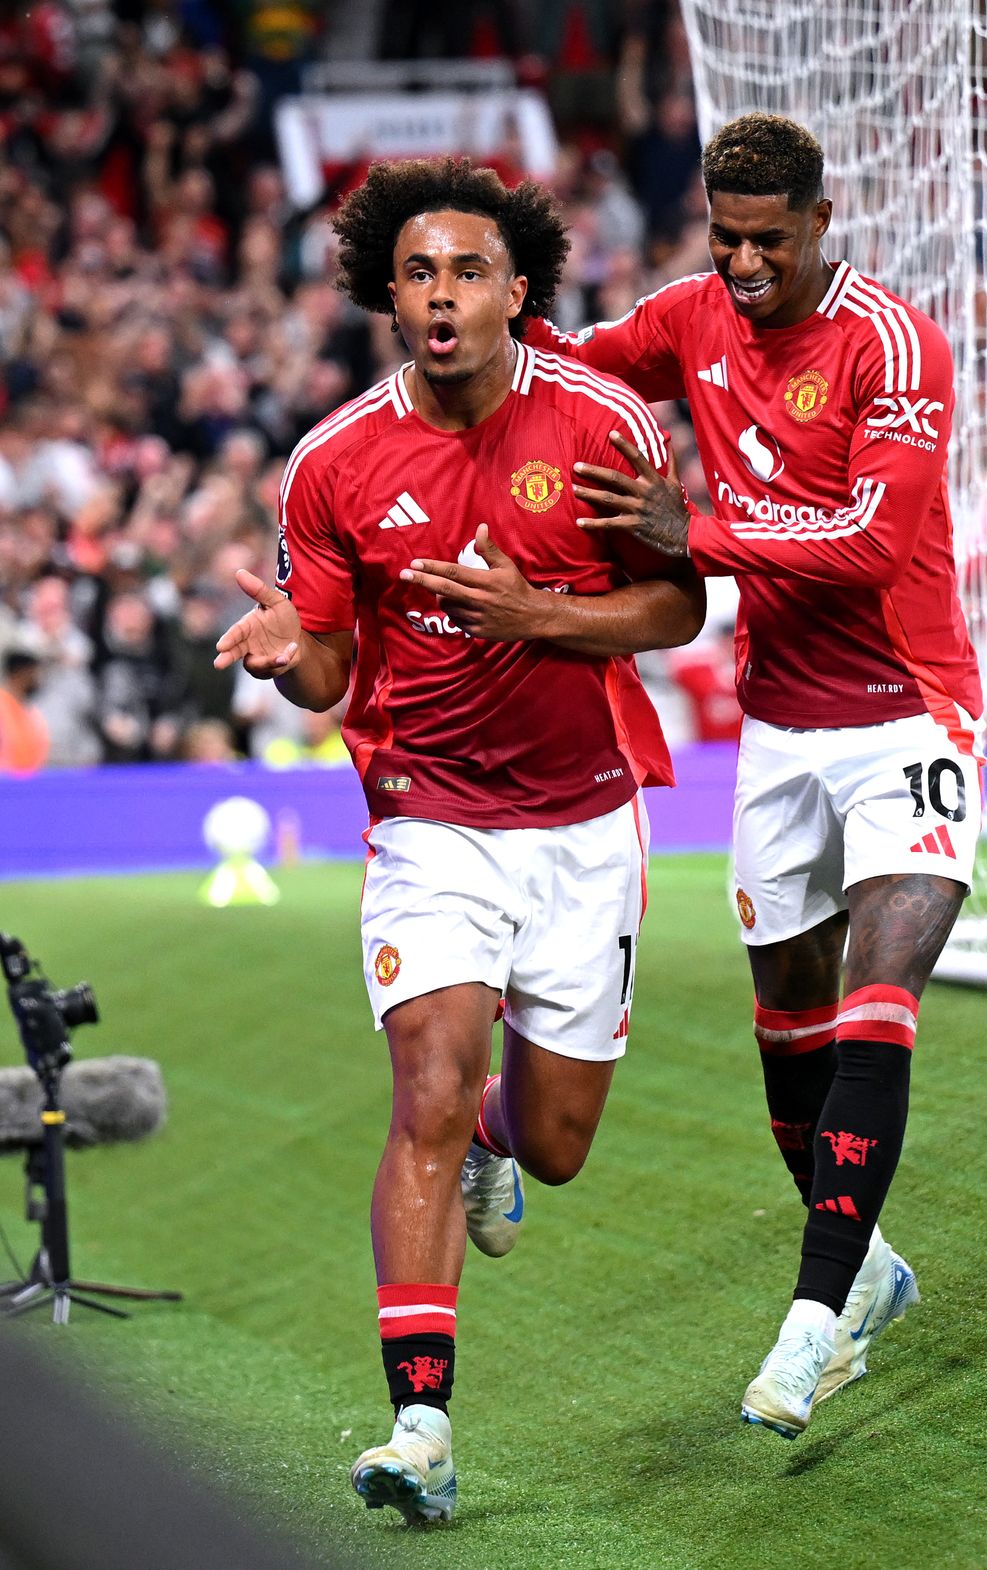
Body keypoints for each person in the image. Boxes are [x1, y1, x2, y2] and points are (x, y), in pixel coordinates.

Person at [212, 156, 704, 1525]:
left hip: (584, 826)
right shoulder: (335, 462)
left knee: (552, 1143)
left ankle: (503, 1126)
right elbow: (324, 666)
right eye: (419, 271)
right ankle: (419, 1420)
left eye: (469, 271)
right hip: (430, 822)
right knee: (427, 1081)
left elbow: (674, 614)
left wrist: (534, 616)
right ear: (388, 289)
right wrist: (284, 659)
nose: (441, 294)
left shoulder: (605, 427)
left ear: (520, 290)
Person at [512, 112, 985, 1439]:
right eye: (724, 237)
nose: (743, 262)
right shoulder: (687, 315)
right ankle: (869, 1267)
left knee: (879, 995)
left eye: (768, 239)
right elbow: (573, 371)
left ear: (821, 225)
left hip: (909, 715)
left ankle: (812, 1323)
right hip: (779, 732)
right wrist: (481, 331)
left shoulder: (893, 345)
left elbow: (877, 540)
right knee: (788, 1023)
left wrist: (698, 531)